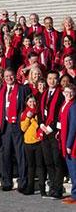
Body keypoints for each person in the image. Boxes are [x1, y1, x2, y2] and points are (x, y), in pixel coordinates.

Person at [0, 68, 29, 192]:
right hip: (5, 125)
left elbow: (27, 105)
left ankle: (23, 181)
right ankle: (6, 181)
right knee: (5, 154)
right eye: (6, 76)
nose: (9, 78)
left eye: (11, 75)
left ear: (15, 76)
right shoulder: (1, 90)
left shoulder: (22, 89)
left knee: (21, 155)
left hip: (17, 125)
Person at [39, 70, 65, 199]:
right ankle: (52, 186)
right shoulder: (44, 94)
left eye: (54, 79)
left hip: (55, 133)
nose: (52, 81)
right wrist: (41, 125)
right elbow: (40, 111)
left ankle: (58, 189)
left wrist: (51, 127)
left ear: (58, 80)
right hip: (44, 133)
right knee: (48, 161)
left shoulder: (61, 95)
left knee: (57, 161)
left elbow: (60, 114)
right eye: (49, 78)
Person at [20, 95, 45, 196]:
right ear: (27, 103)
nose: (32, 104)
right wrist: (28, 118)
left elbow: (38, 126)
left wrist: (33, 119)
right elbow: (23, 128)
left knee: (40, 166)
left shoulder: (39, 113)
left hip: (38, 142)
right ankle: (30, 187)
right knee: (31, 166)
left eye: (34, 102)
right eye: (30, 102)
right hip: (28, 143)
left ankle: (42, 188)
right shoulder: (24, 113)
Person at [59, 85, 76, 205]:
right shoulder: (65, 104)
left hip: (73, 144)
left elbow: (73, 127)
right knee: (71, 169)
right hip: (64, 140)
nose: (68, 94)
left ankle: (75, 195)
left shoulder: (74, 106)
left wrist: (69, 144)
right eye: (66, 92)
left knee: (74, 170)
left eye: (70, 92)